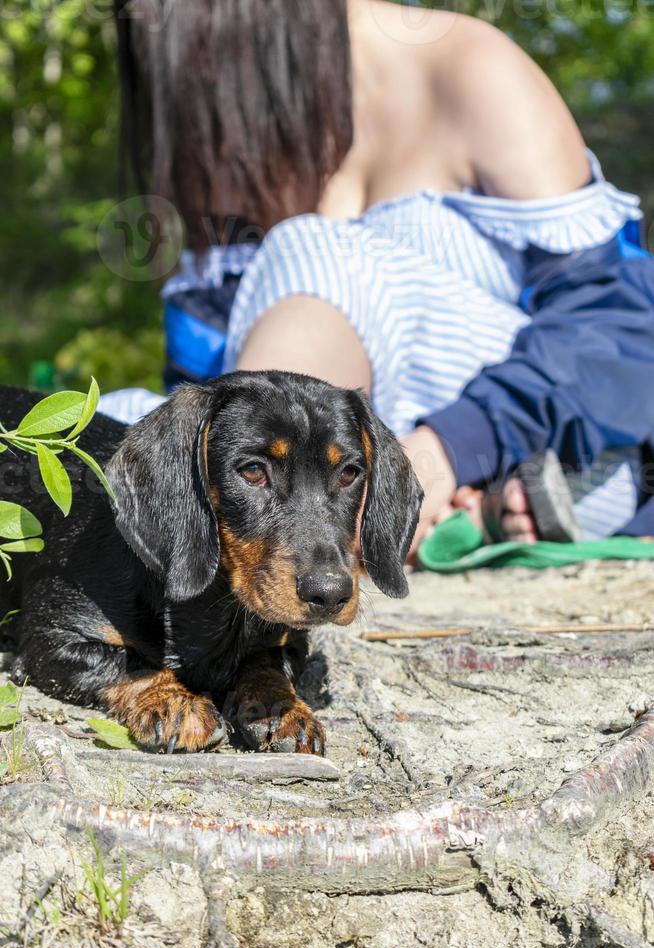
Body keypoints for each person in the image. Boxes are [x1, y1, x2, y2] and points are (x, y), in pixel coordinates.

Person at [109, 0, 654, 555]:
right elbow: (209, 384)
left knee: (316, 250)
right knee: (97, 433)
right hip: (328, 470)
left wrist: (448, 446)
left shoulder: (469, 70)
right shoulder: (227, 133)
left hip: (536, 444)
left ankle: (283, 536)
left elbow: (618, 327)